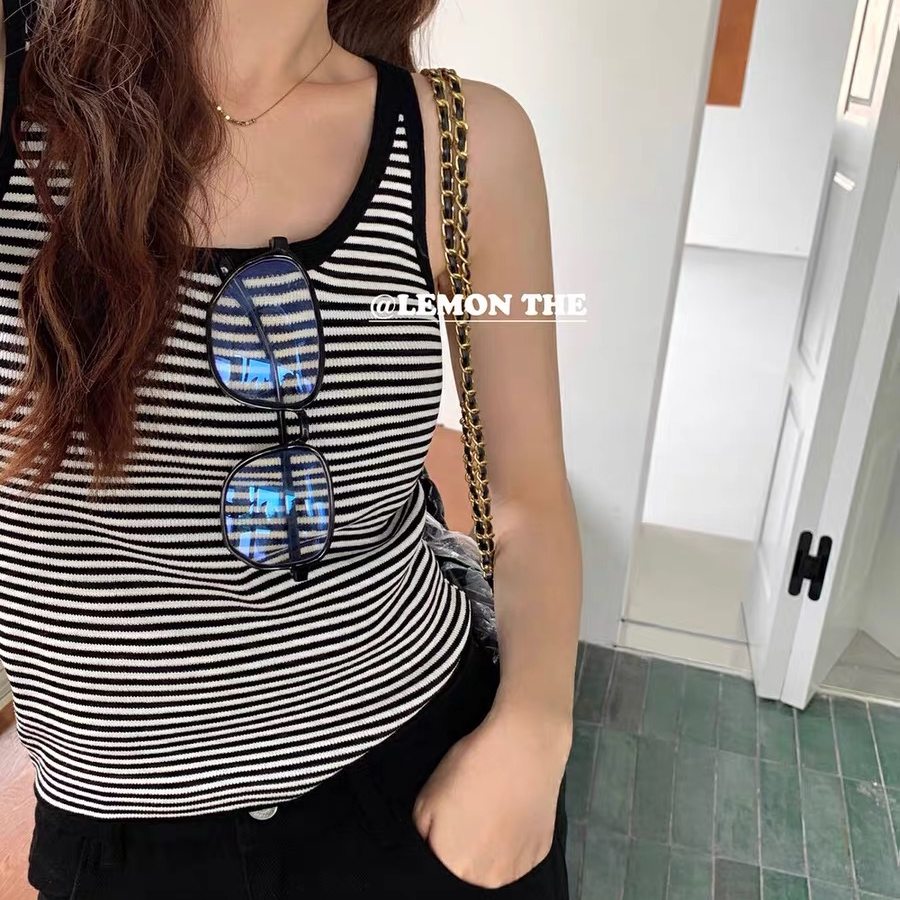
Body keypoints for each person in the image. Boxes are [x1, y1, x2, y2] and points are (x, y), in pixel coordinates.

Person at [0, 0, 582, 896]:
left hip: (415, 789)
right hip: (122, 845)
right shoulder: (23, 101)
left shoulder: (465, 142)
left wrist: (536, 726)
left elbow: (528, 494)